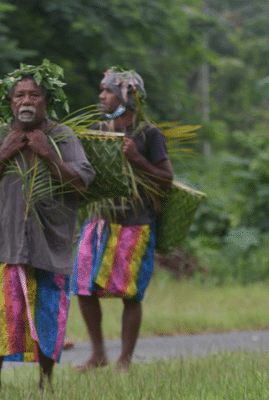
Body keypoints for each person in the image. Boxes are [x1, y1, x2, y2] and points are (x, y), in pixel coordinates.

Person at [0, 61, 95, 396]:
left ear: (45, 100)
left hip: (51, 242)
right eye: (20, 95)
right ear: (10, 102)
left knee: (50, 311)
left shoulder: (62, 137)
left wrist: (49, 156)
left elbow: (82, 182)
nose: (27, 100)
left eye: (34, 95)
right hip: (5, 242)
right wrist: (3, 155)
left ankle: (46, 380)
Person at [71, 67, 174, 373]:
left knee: (131, 293)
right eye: (102, 90)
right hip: (99, 221)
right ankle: (98, 353)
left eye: (107, 91)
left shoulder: (149, 134)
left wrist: (138, 160)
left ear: (127, 96)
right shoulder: (98, 131)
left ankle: (125, 359)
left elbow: (167, 180)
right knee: (84, 286)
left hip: (136, 223)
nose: (101, 96)